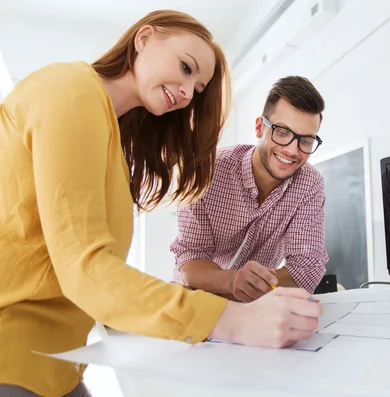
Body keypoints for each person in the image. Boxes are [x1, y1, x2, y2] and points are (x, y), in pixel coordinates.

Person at [0, 10, 322, 397]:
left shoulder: (110, 139)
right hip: (14, 352)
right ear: (144, 38)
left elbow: (309, 264)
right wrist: (230, 318)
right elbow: (87, 268)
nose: (187, 93)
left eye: (197, 88)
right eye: (186, 67)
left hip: (59, 363)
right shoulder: (70, 89)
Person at [171, 76, 328, 302]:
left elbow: (306, 268)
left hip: (255, 306)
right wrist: (233, 281)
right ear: (259, 128)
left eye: (306, 140)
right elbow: (191, 257)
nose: (293, 151)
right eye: (282, 132)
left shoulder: (310, 184)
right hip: (195, 300)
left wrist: (250, 288)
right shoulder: (204, 172)